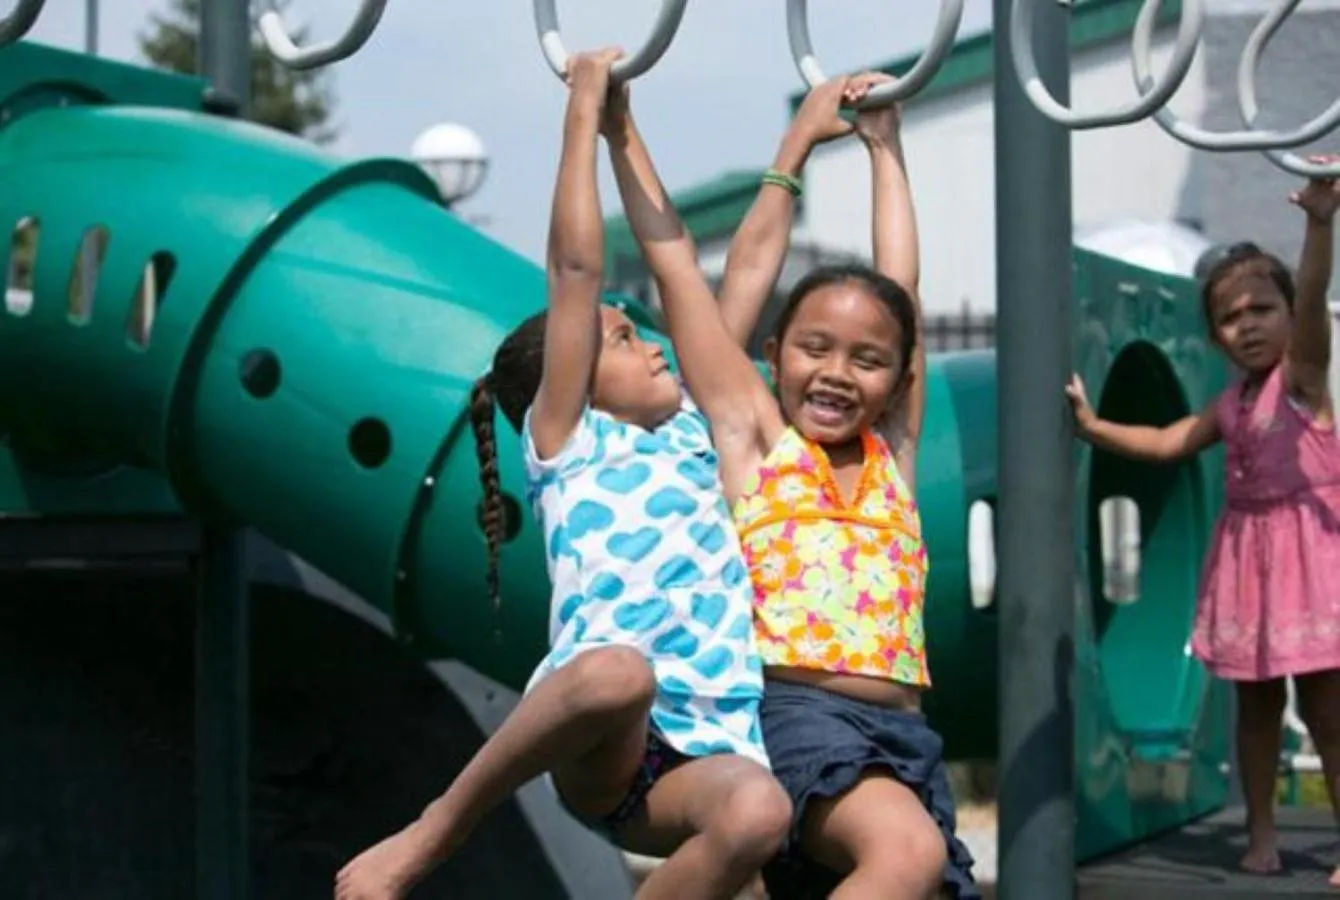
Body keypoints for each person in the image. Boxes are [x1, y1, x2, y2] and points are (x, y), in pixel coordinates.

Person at [334, 49, 789, 900]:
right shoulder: (570, 443)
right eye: (620, 339)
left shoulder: (699, 432)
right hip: (604, 741)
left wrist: (627, 129)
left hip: (704, 747)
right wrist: (581, 111)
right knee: (621, 671)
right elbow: (577, 271)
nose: (649, 344)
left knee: (761, 815)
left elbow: (679, 261)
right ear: (573, 382)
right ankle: (432, 831)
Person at [604, 72, 979, 899]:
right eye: (815, 347)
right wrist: (792, 147)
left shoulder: (893, 458)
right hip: (797, 720)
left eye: (868, 358)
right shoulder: (759, 444)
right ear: (774, 354)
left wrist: (886, 148)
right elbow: (680, 273)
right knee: (905, 857)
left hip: (905, 737)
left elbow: (902, 288)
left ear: (900, 374)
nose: (838, 373)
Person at [1067, 157, 1340, 885]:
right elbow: (1163, 444)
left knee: (1325, 707)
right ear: (1215, 337)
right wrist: (1093, 428)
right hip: (1251, 568)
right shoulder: (1229, 404)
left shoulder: (1303, 383)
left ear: (1286, 317)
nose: (1248, 326)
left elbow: (1314, 301)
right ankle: (1261, 834)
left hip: (1308, 566)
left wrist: (1320, 224)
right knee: (1253, 707)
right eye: (1231, 317)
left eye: (1262, 310)